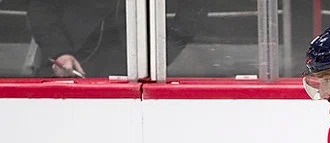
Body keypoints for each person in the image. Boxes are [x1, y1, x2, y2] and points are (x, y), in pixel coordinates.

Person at [26, 0, 208, 77]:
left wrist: (162, 52)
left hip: (145, 65)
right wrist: (60, 52)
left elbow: (195, 9)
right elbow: (40, 7)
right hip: (73, 61)